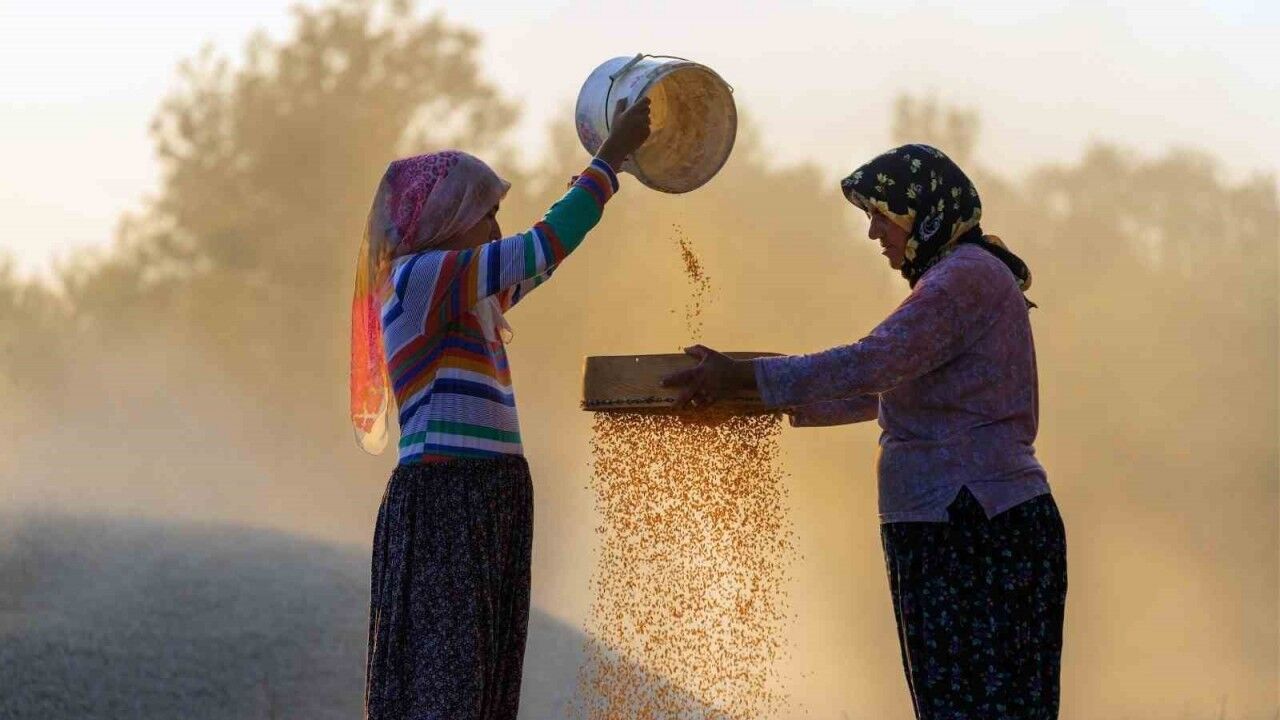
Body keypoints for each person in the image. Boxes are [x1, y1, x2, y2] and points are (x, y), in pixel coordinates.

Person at [662, 144, 1068, 720]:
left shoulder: (964, 279)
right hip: (955, 521)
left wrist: (748, 378)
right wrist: (752, 397)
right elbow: (884, 389)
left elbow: (874, 362)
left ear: (922, 211)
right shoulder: (958, 277)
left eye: (882, 214)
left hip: (975, 524)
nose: (875, 232)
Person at [349, 97, 651, 719]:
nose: (493, 229)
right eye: (485, 214)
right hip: (447, 497)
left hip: (493, 496)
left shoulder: (468, 294)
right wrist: (608, 160)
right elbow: (537, 247)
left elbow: (544, 256)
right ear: (444, 219)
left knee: (485, 681)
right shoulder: (420, 278)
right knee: (446, 684)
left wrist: (603, 171)